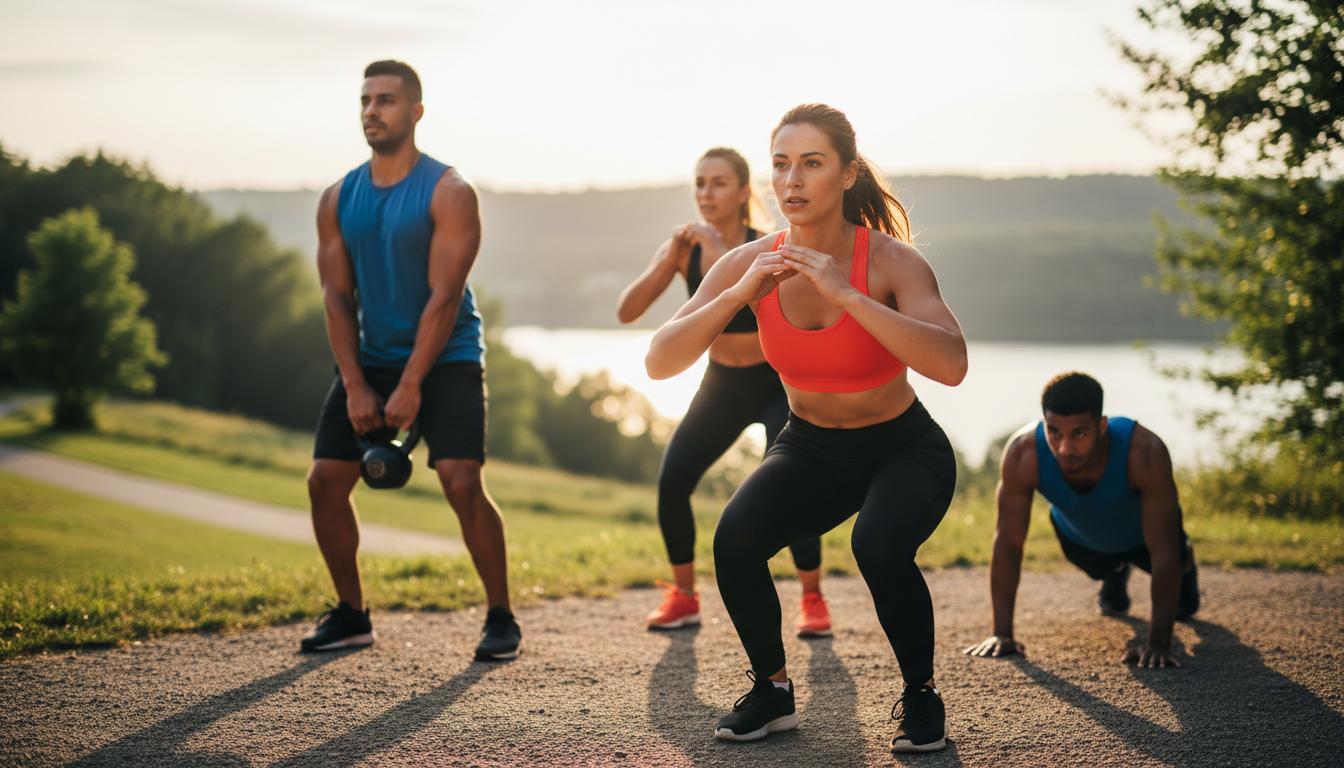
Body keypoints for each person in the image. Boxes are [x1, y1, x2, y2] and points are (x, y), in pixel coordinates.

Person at [646, 104, 967, 752]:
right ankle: (773, 690)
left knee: (878, 546)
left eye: (812, 163)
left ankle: (921, 695)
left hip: (902, 447)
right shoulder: (749, 263)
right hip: (814, 446)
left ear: (847, 174)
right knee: (735, 540)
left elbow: (952, 363)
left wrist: (851, 296)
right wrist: (739, 294)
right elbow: (659, 361)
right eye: (782, 165)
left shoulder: (892, 262)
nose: (792, 180)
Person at [301, 60, 521, 661]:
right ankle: (351, 615)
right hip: (371, 357)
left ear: (415, 112)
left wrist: (412, 385)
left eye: (387, 101)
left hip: (446, 352)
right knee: (325, 481)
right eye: (366, 100)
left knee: (460, 479)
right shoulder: (337, 198)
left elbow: (444, 297)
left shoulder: (449, 191)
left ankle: (501, 616)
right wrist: (355, 384)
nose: (372, 111)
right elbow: (336, 298)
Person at [617, 147, 831, 636]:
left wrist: (719, 263)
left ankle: (813, 598)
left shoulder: (768, 247)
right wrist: (667, 262)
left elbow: (749, 312)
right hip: (721, 386)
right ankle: (684, 597)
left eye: (717, 183)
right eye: (699, 183)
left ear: (741, 192)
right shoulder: (683, 248)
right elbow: (628, 313)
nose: (705, 194)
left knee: (796, 487)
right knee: (673, 481)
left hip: (775, 383)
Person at [964, 371, 1199, 669]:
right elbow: (1008, 542)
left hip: (1144, 540)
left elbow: (1164, 550)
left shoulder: (1144, 452)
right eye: (1054, 432)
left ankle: (1186, 559)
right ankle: (1115, 569)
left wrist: (1158, 642)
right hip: (1082, 538)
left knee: (1184, 606)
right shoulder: (1023, 453)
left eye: (1078, 433)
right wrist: (1002, 633)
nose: (1064, 448)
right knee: (1101, 570)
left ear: (1101, 426)